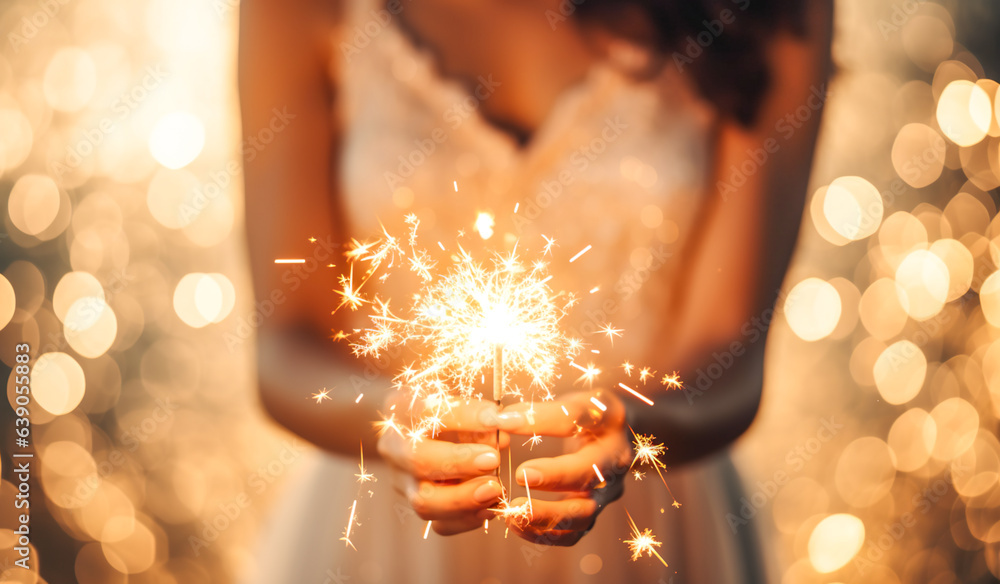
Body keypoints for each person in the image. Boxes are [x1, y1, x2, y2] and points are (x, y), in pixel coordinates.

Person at [239, 0, 832, 581]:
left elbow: (730, 357)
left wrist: (633, 429)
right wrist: (390, 422)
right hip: (386, 526)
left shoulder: (765, 11)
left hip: (652, 527)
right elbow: (286, 346)